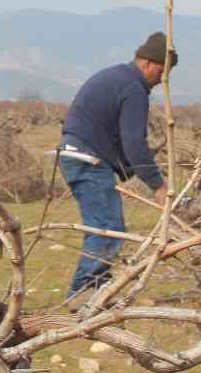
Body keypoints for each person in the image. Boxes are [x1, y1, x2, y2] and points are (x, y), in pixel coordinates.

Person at [57, 32, 177, 297]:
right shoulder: (134, 89)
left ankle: (97, 289)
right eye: (161, 71)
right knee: (108, 228)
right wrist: (157, 185)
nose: (162, 79)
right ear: (146, 63)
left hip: (76, 152)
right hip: (87, 158)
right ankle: (83, 293)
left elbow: (120, 141)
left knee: (102, 226)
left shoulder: (117, 77)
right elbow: (134, 144)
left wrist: (131, 168)